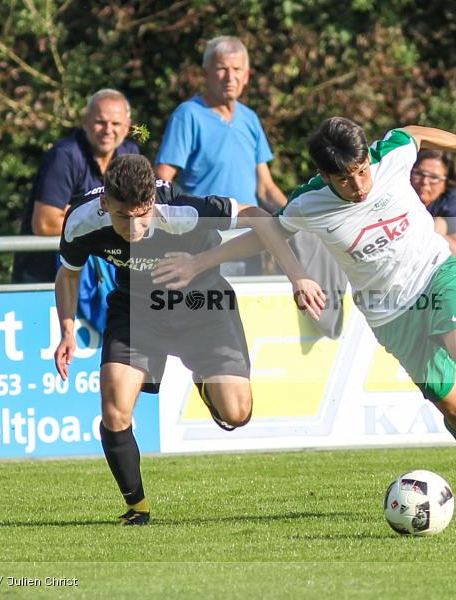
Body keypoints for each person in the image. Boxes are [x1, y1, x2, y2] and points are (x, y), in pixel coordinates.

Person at [153, 118, 456, 509]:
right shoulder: (308, 202)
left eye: (361, 172)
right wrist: (200, 261)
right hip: (387, 310)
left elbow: (419, 132)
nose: (358, 186)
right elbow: (265, 234)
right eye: (344, 179)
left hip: (434, 274)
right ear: (325, 176)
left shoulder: (390, 155)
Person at [53, 154, 324, 525]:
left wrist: (298, 276)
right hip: (137, 310)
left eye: (141, 216)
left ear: (152, 203)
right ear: (105, 204)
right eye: (122, 217)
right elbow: (69, 275)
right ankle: (137, 507)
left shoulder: (182, 211)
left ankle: (206, 384)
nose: (133, 229)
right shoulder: (82, 220)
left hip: (203, 302)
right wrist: (67, 330)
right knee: (115, 408)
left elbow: (257, 216)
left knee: (237, 413)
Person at [154, 35, 289, 276]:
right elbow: (162, 180)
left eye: (237, 69)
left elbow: (266, 188)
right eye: (222, 69)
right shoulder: (188, 115)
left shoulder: (250, 119)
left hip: (247, 239)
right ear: (205, 73)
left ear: (246, 76)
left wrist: (294, 215)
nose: (230, 77)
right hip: (204, 240)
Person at [13, 89, 139, 284]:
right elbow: (45, 224)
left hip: (103, 282)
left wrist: (76, 214)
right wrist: (113, 215)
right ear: (85, 121)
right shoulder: (64, 156)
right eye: (100, 122)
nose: (108, 130)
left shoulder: (130, 154)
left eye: (116, 124)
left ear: (127, 127)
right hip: (46, 280)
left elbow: (137, 216)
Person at [410, 149, 456, 267]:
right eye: (419, 174)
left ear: (446, 183)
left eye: (434, 177)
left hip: (426, 272)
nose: (424, 181)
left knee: (441, 224)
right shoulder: (398, 194)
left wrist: (433, 230)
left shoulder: (449, 202)